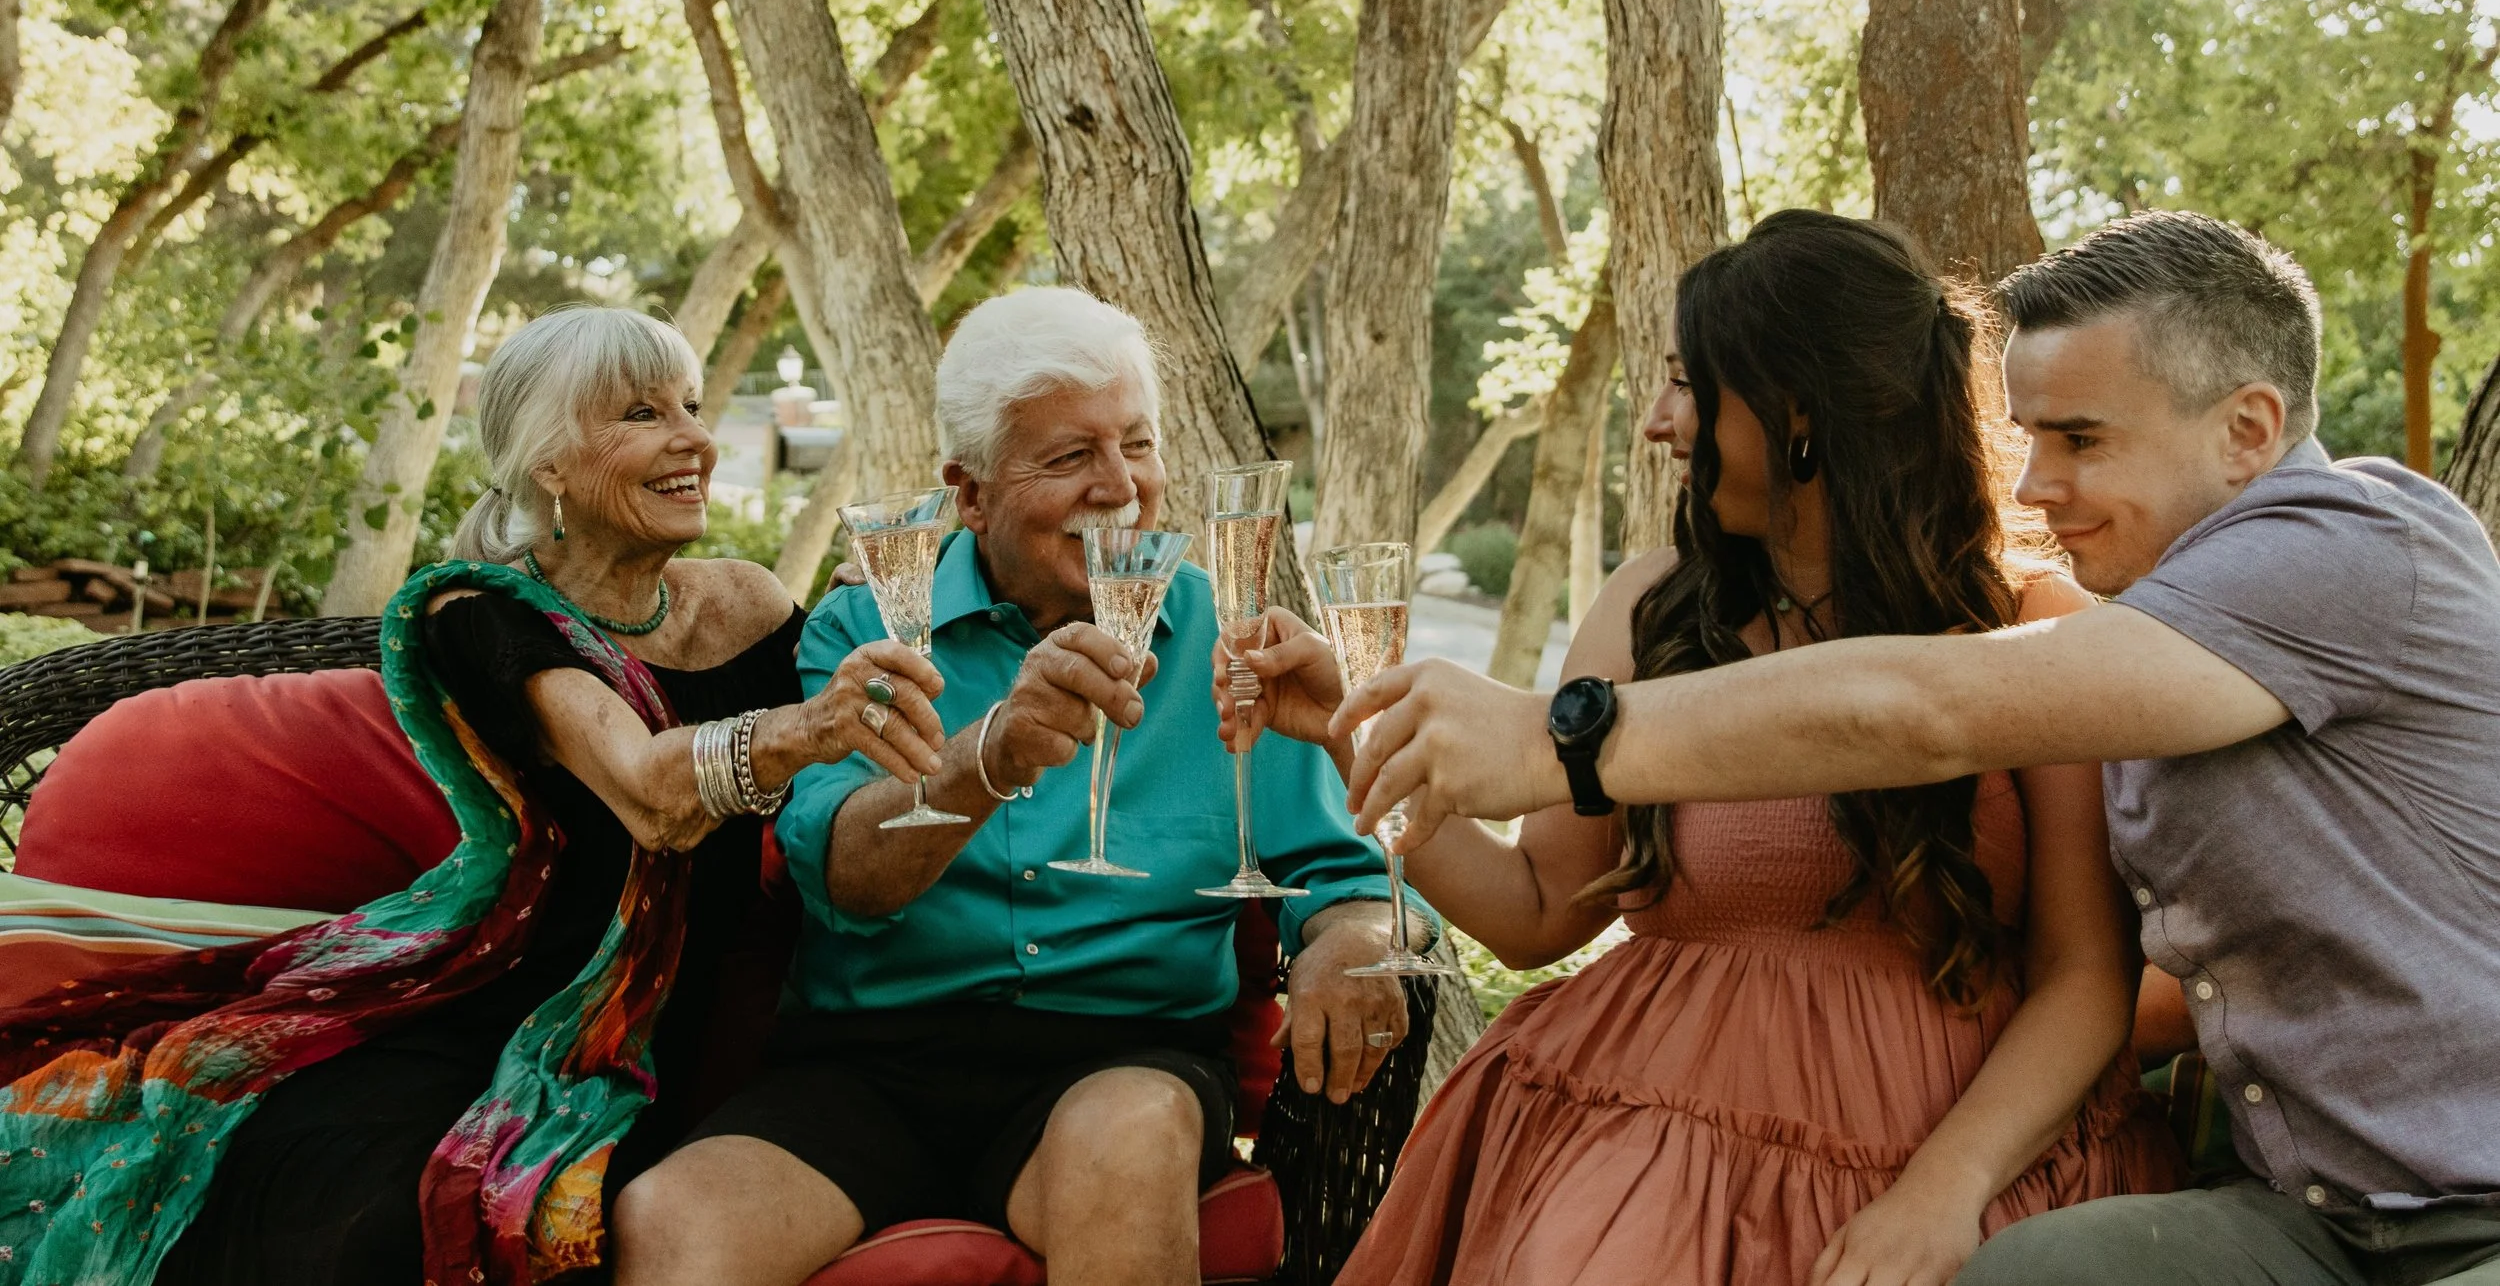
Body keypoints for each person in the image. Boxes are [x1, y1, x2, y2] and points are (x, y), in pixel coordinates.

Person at [1339, 211, 2500, 1286]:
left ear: (2247, 429)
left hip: (2467, 1203)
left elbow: (1927, 711)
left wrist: (1563, 738)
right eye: (2031, 437)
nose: (2034, 485)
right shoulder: (2154, 634)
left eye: (2080, 438)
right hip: (2310, 1208)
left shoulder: (2353, 545)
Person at [1229, 211, 2178, 1286]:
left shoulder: (2025, 626)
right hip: (1650, 1125)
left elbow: (2087, 973)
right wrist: (1352, 730)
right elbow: (1533, 909)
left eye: (1686, 384)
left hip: (1960, 1144)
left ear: (1796, 409)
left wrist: (1942, 1190)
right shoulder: (1652, 607)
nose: (1655, 422)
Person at [612, 286, 1416, 1286]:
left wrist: (1353, 941)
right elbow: (844, 875)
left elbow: (1348, 874)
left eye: (1138, 443)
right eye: (1071, 456)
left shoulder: (1230, 641)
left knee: (1127, 1139)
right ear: (971, 492)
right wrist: (983, 759)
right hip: (872, 1065)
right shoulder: (864, 629)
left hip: (1123, 1056)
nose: (1120, 486)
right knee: (671, 1219)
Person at [128, 307, 943, 1283]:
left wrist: (873, 625)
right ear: (548, 461)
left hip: (662, 1043)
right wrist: (806, 724)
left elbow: (855, 768)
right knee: (374, 1222)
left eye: (691, 405)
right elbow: (650, 792)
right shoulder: (476, 610)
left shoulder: (753, 604)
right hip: (486, 1025)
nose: (694, 436)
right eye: (643, 412)